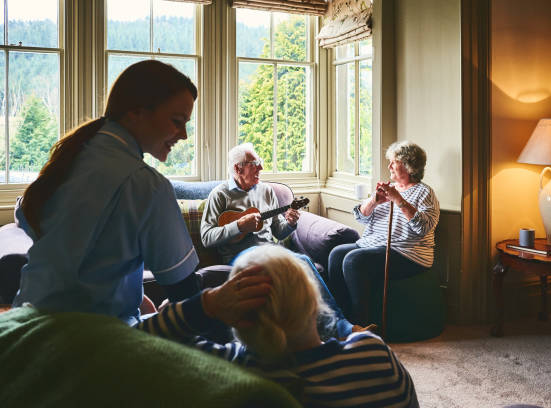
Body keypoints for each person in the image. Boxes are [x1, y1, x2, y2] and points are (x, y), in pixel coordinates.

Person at [11, 60, 266, 327]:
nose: (185, 135)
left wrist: (131, 293)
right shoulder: (145, 184)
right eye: (177, 121)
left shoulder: (70, 160)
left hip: (27, 326)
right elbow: (184, 291)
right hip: (88, 341)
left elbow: (47, 230)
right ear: (136, 112)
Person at [138, 245, 419, 408]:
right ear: (314, 300)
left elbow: (132, 344)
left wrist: (206, 305)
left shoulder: (225, 370)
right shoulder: (374, 354)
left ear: (236, 316)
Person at [200, 143, 368, 339]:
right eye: (255, 163)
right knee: (297, 263)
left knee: (303, 261)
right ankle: (333, 330)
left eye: (260, 162)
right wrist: (238, 226)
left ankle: (339, 327)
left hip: (270, 250)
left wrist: (290, 223)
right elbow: (206, 237)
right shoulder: (220, 195)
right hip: (240, 256)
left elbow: (279, 232)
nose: (261, 168)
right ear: (238, 168)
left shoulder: (266, 191)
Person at [327, 141, 440, 325]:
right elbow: (361, 218)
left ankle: (362, 324)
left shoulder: (424, 192)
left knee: (353, 260)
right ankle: (342, 317)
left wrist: (398, 200)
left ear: (408, 165)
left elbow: (424, 227)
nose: (389, 166)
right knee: (336, 254)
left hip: (407, 253)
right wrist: (373, 201)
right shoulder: (389, 189)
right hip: (374, 244)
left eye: (393, 162)